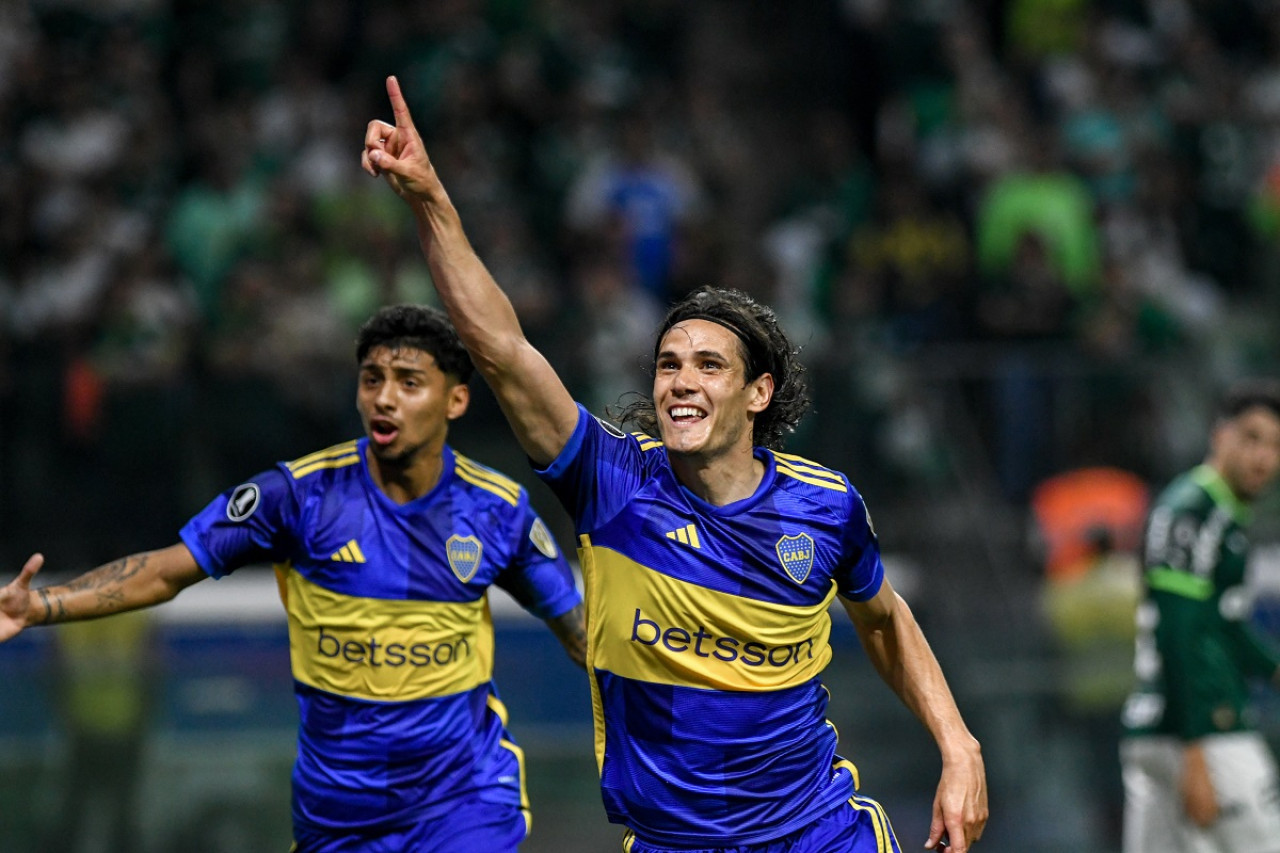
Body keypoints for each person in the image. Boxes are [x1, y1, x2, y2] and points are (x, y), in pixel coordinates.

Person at [362, 75, 987, 853]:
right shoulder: (611, 482)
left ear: (759, 392)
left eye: (707, 365)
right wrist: (430, 200)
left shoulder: (826, 507)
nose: (680, 381)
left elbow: (885, 619)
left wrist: (959, 745)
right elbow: (503, 351)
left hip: (818, 834)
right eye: (667, 364)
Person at [0, 303, 587, 852]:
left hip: (463, 799)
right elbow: (162, 572)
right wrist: (38, 607)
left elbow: (585, 636)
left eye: (408, 383)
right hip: (339, 811)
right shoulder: (298, 497)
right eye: (371, 379)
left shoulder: (498, 511)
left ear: (455, 401)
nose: (384, 398)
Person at [1120, 379, 1280, 853]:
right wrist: (1195, 752)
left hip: (1153, 727)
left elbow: (1220, 626)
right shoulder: (1194, 512)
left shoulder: (1218, 515)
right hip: (1205, 729)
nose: (1263, 458)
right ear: (1220, 436)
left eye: (1275, 446)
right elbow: (1179, 633)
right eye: (1252, 439)